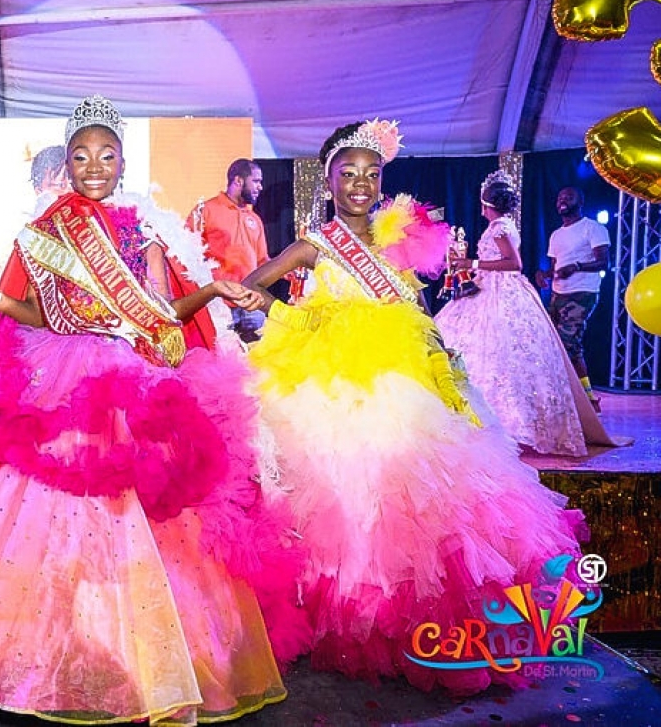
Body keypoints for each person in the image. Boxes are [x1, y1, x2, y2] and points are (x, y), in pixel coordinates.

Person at [0, 95, 306, 725]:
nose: (94, 165)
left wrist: (212, 288)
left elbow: (163, 319)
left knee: (143, 518)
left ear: (123, 163)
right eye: (82, 155)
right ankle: (45, 651)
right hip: (58, 382)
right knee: (40, 518)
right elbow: (34, 315)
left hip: (129, 384)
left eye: (106, 154)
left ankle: (139, 653)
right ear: (67, 163)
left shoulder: (143, 233)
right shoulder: (42, 234)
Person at [242, 120, 587, 695]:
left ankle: (413, 624)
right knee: (340, 493)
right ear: (326, 181)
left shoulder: (400, 236)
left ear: (382, 181)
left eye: (371, 174)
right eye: (347, 173)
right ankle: (347, 613)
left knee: (414, 492)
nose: (359, 183)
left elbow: (417, 306)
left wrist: (442, 361)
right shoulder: (316, 243)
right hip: (332, 379)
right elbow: (256, 285)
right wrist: (300, 318)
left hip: (403, 374)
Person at [434, 172, 618, 456]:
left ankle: (504, 423)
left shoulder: (500, 227)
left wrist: (472, 261)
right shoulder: (500, 225)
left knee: (499, 351)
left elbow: (513, 263)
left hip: (501, 293)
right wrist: (470, 268)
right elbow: (494, 262)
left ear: (487, 204)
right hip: (489, 287)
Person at [538, 186, 610, 412]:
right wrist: (543, 275)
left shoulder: (593, 228)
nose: (562, 201)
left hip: (582, 292)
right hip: (559, 293)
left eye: (568, 197)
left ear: (581, 201)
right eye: (560, 197)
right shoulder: (556, 234)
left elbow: (603, 262)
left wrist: (577, 266)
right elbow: (554, 267)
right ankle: (588, 399)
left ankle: (560, 399)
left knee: (565, 344)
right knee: (569, 346)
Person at [189, 159, 270, 342]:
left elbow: (262, 261)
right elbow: (187, 254)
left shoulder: (254, 219)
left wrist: (288, 270)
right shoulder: (206, 210)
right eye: (256, 181)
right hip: (219, 305)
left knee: (258, 361)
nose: (261, 187)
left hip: (251, 303)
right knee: (220, 359)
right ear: (239, 181)